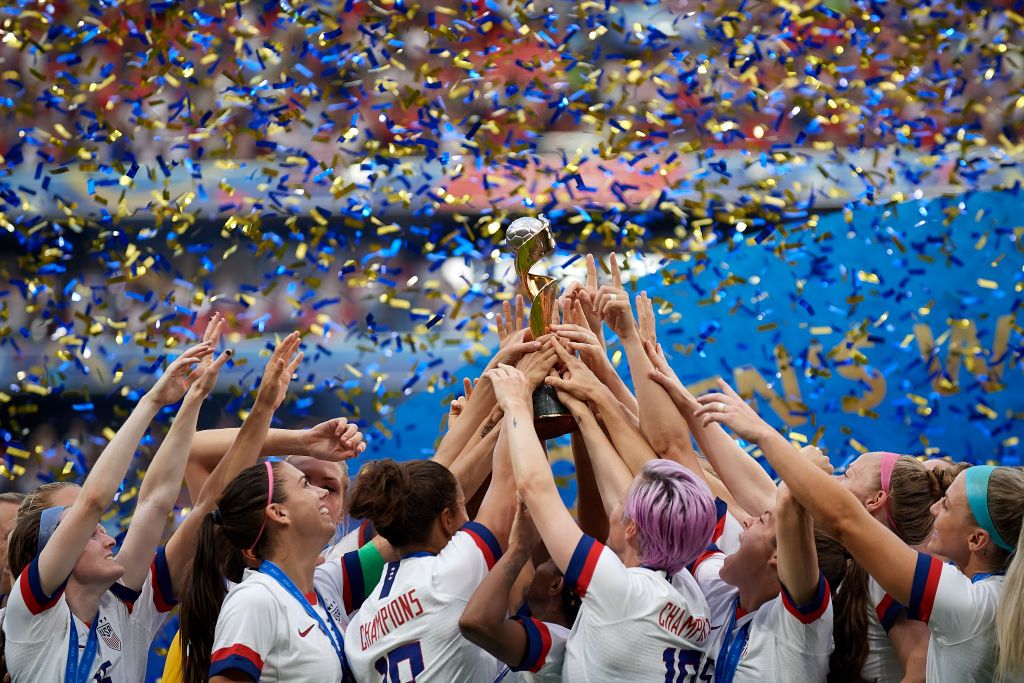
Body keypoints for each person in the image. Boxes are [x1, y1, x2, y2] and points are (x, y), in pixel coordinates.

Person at [695, 378, 1024, 683]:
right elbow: (763, 496)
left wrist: (764, 435)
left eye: (948, 506)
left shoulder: (970, 604)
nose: (934, 508)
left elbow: (845, 520)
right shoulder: (995, 599)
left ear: (978, 539)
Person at [3, 340, 226, 682]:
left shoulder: (119, 607)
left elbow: (155, 502)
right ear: (54, 551)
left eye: (99, 528)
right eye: (88, 531)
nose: (108, 538)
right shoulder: (32, 614)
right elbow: (94, 501)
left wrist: (194, 397)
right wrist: (152, 401)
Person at [487, 362, 717, 681]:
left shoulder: (624, 590)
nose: (615, 502)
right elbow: (625, 497)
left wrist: (516, 402)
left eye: (621, 504)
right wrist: (582, 410)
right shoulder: (687, 590)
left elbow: (536, 489)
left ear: (633, 528)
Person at [179, 333, 384, 683]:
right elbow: (195, 450)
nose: (319, 492)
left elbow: (427, 502)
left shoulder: (327, 580)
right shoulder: (254, 594)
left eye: (331, 487)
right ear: (276, 511)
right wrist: (298, 436)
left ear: (343, 511)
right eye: (305, 480)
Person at [459, 502, 581, 682]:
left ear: (555, 585)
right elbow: (511, 538)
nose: (540, 564)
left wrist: (520, 549)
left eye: (546, 562)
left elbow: (475, 622)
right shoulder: (533, 620)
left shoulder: (557, 645)